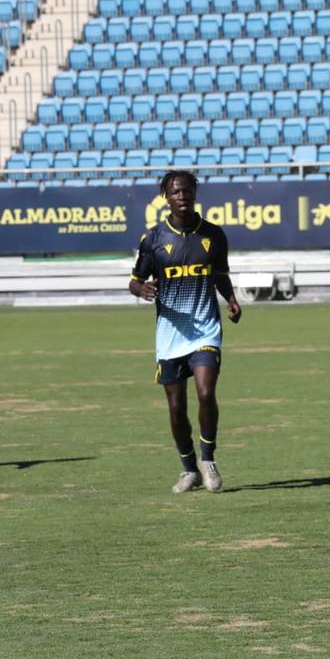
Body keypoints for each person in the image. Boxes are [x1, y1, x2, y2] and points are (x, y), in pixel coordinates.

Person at [129, 170, 242, 493]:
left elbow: (220, 274)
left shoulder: (214, 235)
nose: (181, 196)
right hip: (170, 335)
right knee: (176, 407)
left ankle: (208, 459)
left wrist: (231, 300)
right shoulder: (152, 239)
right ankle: (188, 468)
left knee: (206, 393)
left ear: (195, 192)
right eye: (175, 191)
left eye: (186, 190)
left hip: (206, 330)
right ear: (166, 196)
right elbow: (134, 280)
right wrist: (141, 290)